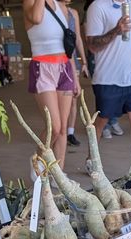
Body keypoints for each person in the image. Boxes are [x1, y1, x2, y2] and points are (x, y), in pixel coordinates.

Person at [85, 0, 131, 169]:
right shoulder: (98, 7)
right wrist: (116, 30)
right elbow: (92, 45)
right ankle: (91, 159)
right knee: (101, 120)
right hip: (107, 78)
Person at [24, 0, 80, 169]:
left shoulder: (62, 7)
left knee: (63, 128)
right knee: (54, 127)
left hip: (64, 68)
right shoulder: (31, 3)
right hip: (42, 67)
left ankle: (59, 175)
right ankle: (37, 162)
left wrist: (75, 78)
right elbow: (36, 17)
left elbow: (67, 46)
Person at [63, 0, 89, 147]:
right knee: (60, 100)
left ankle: (70, 133)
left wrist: (84, 61)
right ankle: (58, 130)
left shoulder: (73, 13)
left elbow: (78, 38)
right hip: (57, 62)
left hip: (73, 61)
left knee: (73, 98)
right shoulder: (51, 12)